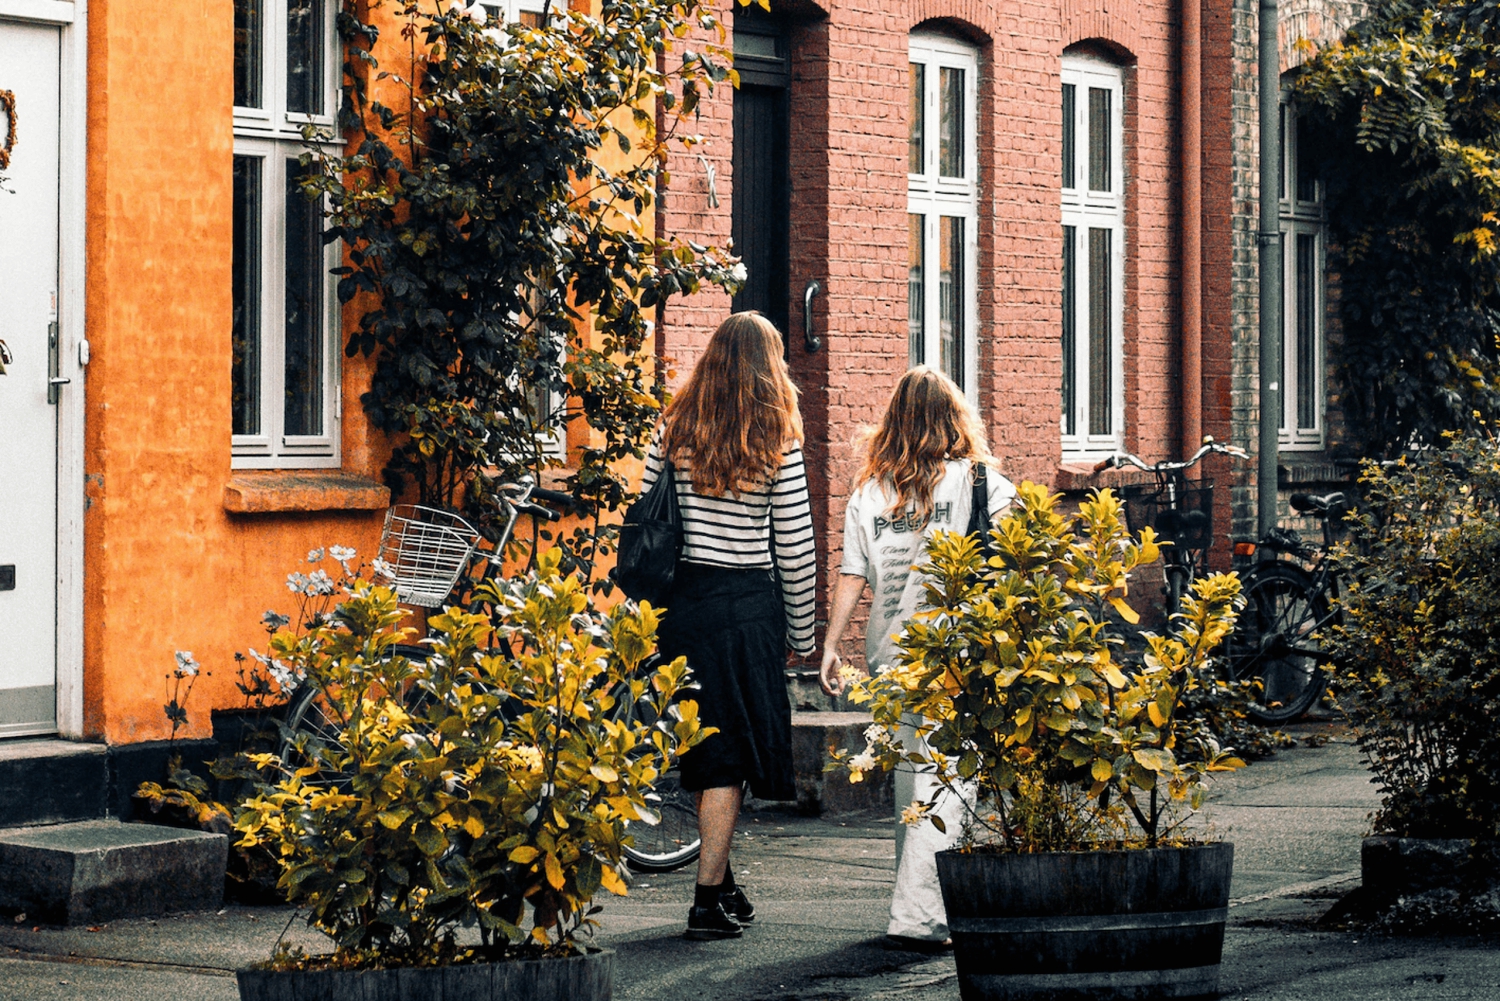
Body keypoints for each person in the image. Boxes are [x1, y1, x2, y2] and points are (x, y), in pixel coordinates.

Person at [818, 365, 1016, 949]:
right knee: (948, 777)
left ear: (895, 423)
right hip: (956, 653)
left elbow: (853, 574)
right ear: (956, 420)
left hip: (891, 653)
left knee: (915, 777)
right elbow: (1018, 558)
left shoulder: (870, 492)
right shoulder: (981, 483)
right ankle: (918, 917)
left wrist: (832, 644)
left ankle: (926, 907)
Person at [641, 311, 817, 941]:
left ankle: (723, 880)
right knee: (727, 757)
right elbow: (793, 543)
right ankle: (705, 901)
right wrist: (803, 632)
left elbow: (646, 513)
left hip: (684, 604)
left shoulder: (674, 428)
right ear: (770, 367)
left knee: (704, 745)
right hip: (745, 607)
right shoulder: (776, 437)